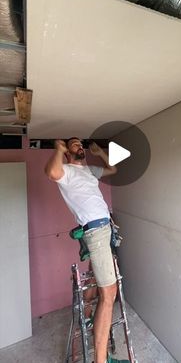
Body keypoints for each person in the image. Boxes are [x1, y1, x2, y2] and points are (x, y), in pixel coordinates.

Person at [45, 137, 117, 363]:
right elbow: (51, 173)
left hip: (106, 227)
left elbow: (112, 169)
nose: (80, 147)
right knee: (109, 294)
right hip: (95, 232)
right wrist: (58, 149)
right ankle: (101, 360)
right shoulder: (65, 170)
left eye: (81, 144)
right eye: (75, 144)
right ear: (68, 152)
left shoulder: (89, 170)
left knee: (98, 278)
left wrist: (100, 152)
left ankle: (86, 317)